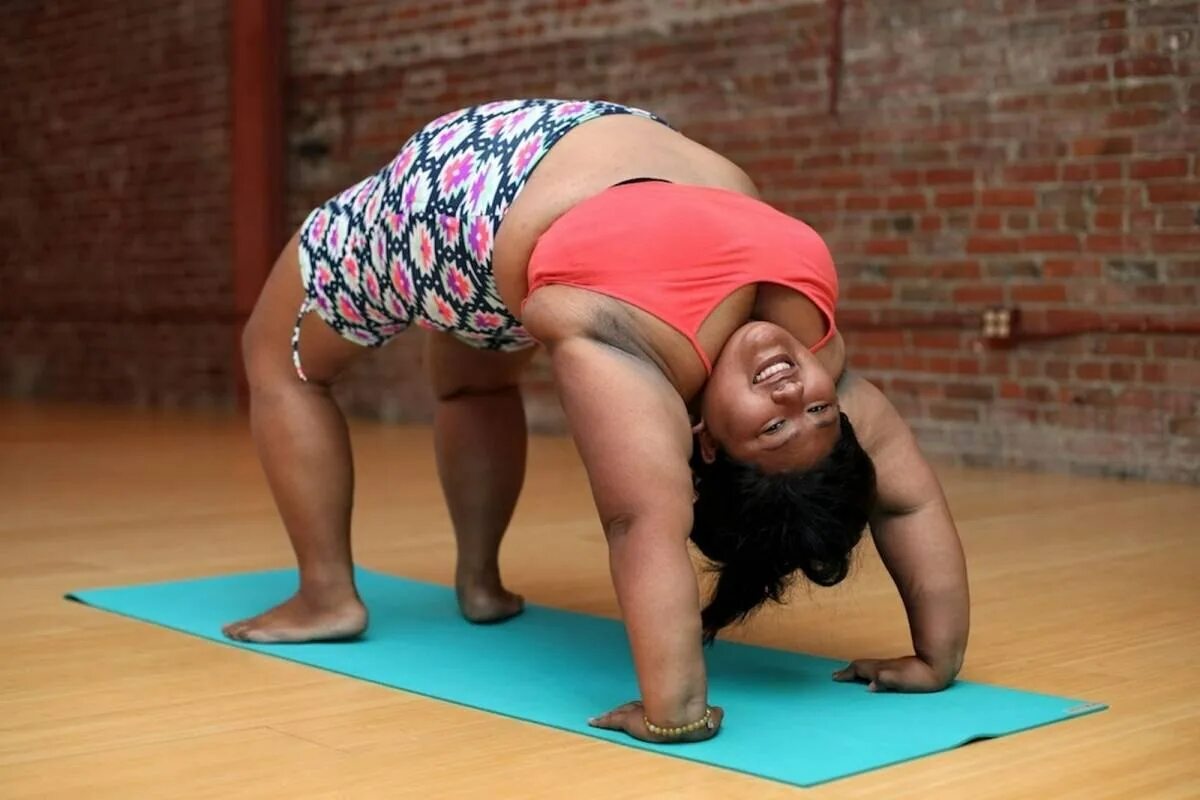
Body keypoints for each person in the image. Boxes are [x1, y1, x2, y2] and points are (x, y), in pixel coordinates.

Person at [225, 99, 969, 743]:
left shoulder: (635, 358)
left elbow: (642, 523)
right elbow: (907, 496)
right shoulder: (813, 348)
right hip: (558, 152)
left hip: (460, 203)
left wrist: (674, 710)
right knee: (473, 377)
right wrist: (936, 659)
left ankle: (327, 594)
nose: (789, 395)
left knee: (278, 354)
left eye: (772, 430)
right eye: (816, 412)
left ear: (702, 446)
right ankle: (480, 583)